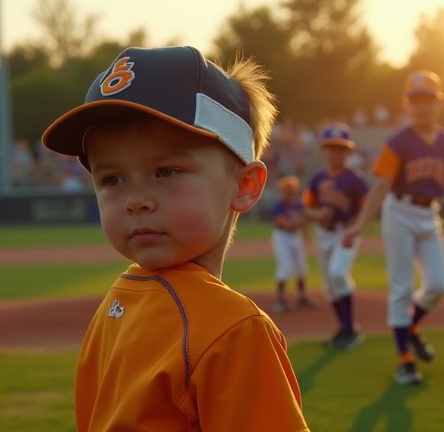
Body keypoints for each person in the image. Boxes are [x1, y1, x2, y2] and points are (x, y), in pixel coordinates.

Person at [41, 46, 308, 431]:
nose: (136, 201)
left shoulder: (117, 304)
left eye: (166, 171)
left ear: (245, 185)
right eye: (112, 179)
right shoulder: (233, 328)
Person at [342, 70, 444, 385]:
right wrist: (360, 226)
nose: (423, 107)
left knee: (439, 285)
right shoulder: (397, 143)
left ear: (439, 103)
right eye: (416, 101)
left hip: (430, 215)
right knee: (401, 286)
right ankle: (405, 361)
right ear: (407, 105)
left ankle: (411, 327)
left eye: (428, 100)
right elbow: (380, 187)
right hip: (399, 212)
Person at [303, 123, 369, 350]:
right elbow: (306, 208)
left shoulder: (355, 179)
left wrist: (357, 225)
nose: (335, 153)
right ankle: (345, 328)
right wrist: (318, 214)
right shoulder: (317, 179)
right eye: (331, 148)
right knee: (329, 285)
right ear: (324, 151)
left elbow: (367, 207)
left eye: (340, 148)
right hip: (323, 232)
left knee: (337, 273)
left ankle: (349, 328)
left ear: (348, 151)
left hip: (345, 232)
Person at [271, 175, 313, 313]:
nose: (289, 193)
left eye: (291, 190)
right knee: (285, 266)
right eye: (286, 190)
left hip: (295, 237)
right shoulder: (279, 206)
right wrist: (298, 222)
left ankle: (302, 297)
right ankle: (280, 300)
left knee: (301, 267)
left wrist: (304, 232)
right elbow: (284, 225)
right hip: (282, 237)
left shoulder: (297, 204)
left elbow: (304, 222)